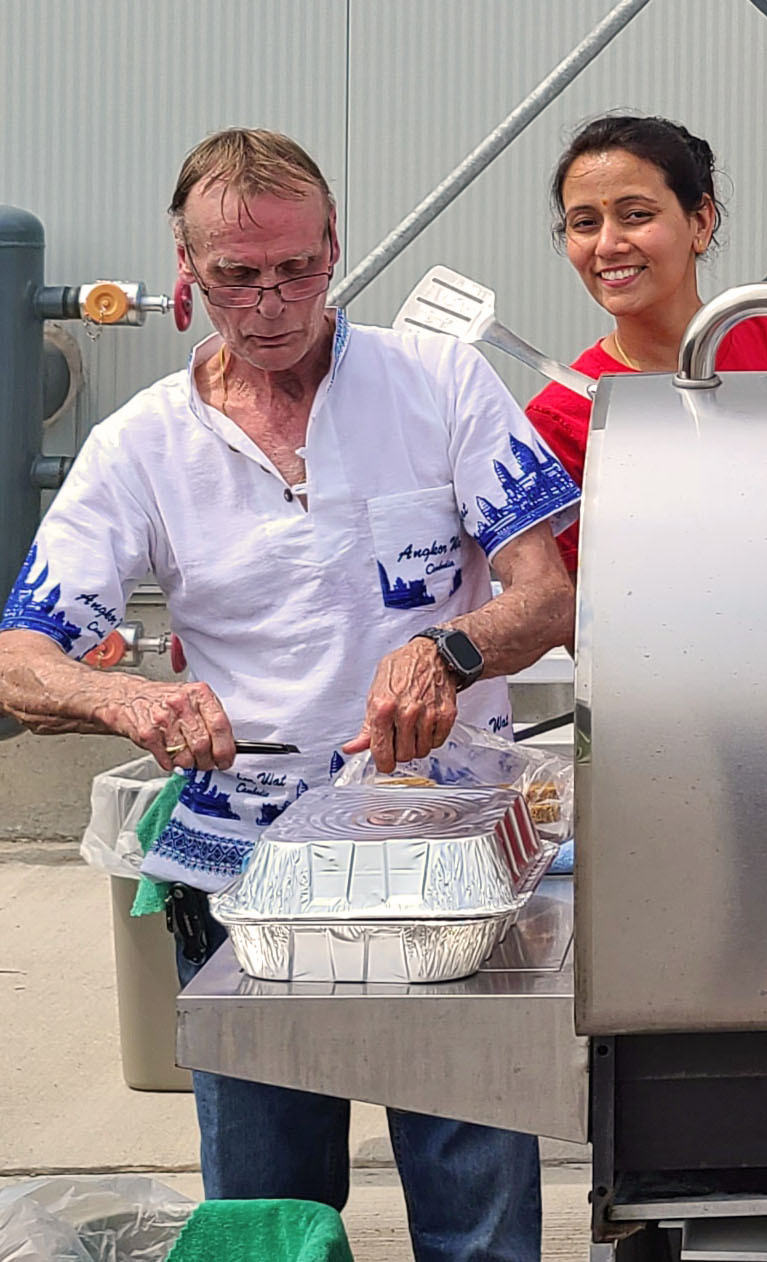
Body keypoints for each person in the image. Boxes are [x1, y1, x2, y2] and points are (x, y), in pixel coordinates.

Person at [0, 129, 580, 1261]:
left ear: (335, 252)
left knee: (482, 1212)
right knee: (272, 1222)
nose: (271, 303)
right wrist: (134, 706)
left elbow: (546, 593)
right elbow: (20, 655)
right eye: (235, 276)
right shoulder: (139, 449)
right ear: (185, 268)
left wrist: (450, 650)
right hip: (247, 886)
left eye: (297, 271)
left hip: (445, 865)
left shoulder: (439, 384)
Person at [526, 114, 767, 572]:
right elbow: (586, 611)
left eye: (636, 215)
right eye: (585, 223)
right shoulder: (560, 420)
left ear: (700, 221)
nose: (608, 245)